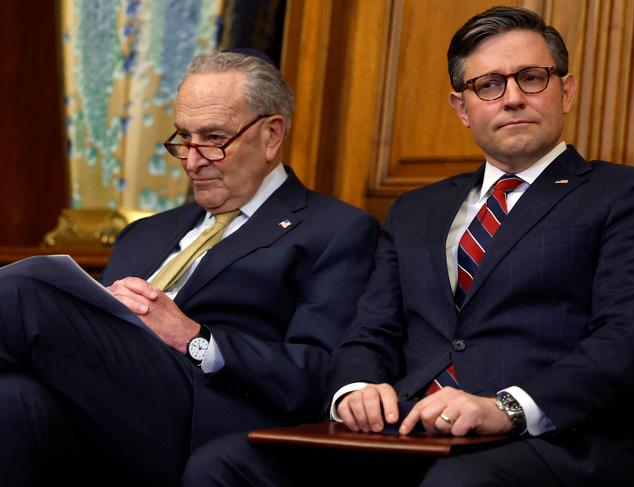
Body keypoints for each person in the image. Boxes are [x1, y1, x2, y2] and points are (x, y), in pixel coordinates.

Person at [186, 6, 634, 487]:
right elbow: (370, 332)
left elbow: (628, 342)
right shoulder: (416, 210)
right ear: (462, 108)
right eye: (488, 85)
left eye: (531, 78)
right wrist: (356, 389)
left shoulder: (624, 196)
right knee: (223, 464)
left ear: (566, 91)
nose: (512, 98)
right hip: (408, 430)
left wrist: (505, 407)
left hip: (549, 439)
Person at [0, 49, 380, 486]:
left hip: (208, 415)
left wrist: (197, 339)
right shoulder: (143, 234)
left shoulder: (336, 230)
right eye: (183, 138)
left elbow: (317, 373)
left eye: (214, 139)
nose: (192, 161)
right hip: (107, 408)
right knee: (12, 399)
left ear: (272, 135)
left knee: (26, 293)